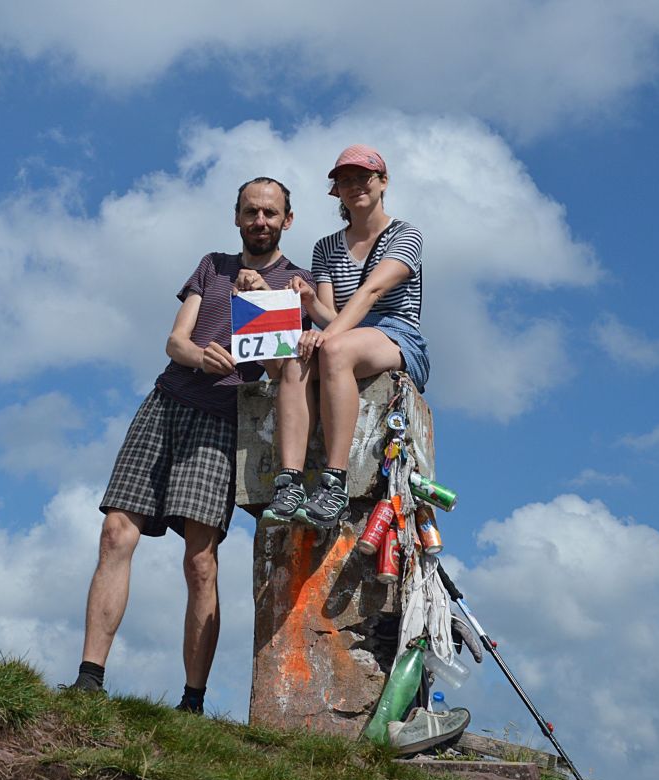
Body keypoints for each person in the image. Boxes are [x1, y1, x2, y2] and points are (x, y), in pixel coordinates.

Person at [68, 177, 313, 714]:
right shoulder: (211, 264)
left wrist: (266, 299)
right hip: (167, 401)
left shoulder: (298, 283)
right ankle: (89, 679)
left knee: (200, 560)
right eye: (252, 211)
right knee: (114, 533)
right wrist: (201, 356)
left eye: (271, 212)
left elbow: (281, 366)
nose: (261, 221)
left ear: (287, 220)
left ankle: (192, 700)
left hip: (223, 421)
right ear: (237, 217)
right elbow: (175, 340)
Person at [262, 145, 430, 530]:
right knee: (294, 356)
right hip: (348, 332)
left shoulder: (406, 235)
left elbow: (372, 293)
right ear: (336, 191)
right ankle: (289, 481)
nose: (355, 186)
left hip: (396, 332)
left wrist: (326, 335)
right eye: (345, 180)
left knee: (332, 348)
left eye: (363, 177)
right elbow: (329, 316)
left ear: (382, 182)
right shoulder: (325, 247)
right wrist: (308, 301)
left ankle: (334, 481)